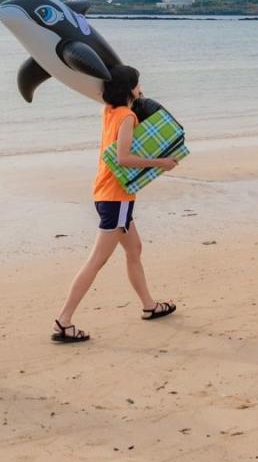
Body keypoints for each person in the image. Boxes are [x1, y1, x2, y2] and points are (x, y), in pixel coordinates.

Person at [52, 64, 178, 343]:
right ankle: (64, 320)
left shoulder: (108, 111)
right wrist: (162, 163)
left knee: (134, 248)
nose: (140, 88)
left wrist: (133, 95)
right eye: (137, 84)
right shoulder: (127, 116)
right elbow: (123, 158)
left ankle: (149, 305)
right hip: (116, 196)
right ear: (129, 88)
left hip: (105, 192)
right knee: (97, 260)